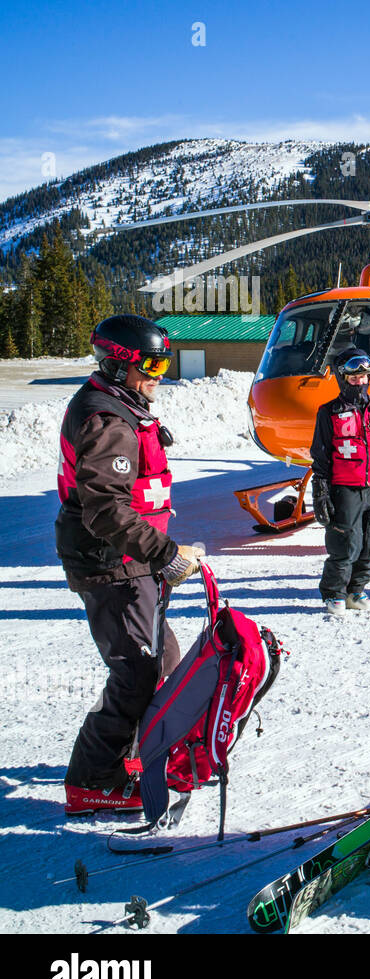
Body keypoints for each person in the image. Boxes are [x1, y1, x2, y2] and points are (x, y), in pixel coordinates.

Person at [57, 315, 204, 815]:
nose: (161, 373)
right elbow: (105, 509)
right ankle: (93, 778)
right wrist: (166, 555)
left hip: (129, 558)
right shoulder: (110, 421)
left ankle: (133, 751)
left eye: (166, 362)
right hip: (111, 561)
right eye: (153, 363)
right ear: (121, 365)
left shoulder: (121, 405)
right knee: (138, 669)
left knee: (161, 658)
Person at [311, 351, 370, 615]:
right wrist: (322, 491)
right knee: (346, 542)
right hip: (346, 487)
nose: (359, 382)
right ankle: (334, 593)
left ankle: (357, 589)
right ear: (343, 378)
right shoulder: (329, 412)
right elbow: (321, 455)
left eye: (363, 377)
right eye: (353, 377)